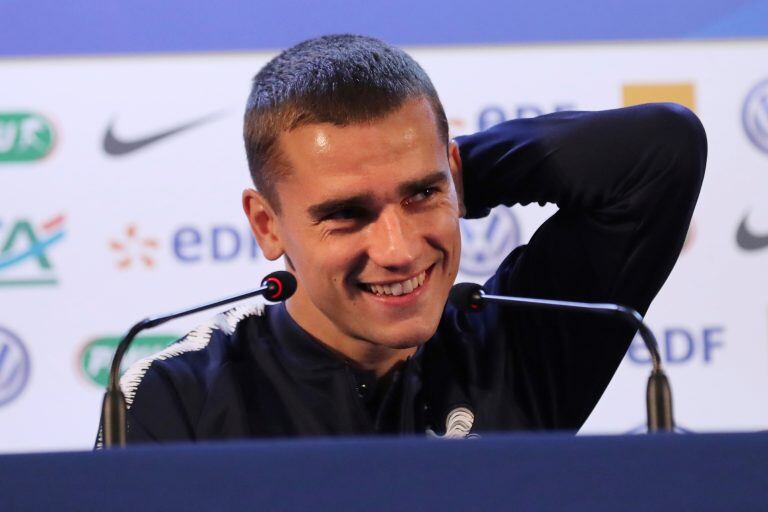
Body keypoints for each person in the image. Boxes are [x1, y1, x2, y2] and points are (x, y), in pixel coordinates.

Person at [97, 34, 706, 445]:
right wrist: (426, 181)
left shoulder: (518, 349)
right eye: (347, 213)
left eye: (420, 197)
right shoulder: (175, 396)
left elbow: (660, 152)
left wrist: (455, 176)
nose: (399, 249)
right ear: (268, 225)